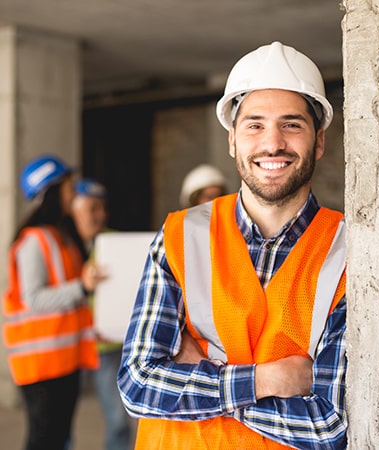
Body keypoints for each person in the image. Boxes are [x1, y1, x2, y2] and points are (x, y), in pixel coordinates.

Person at [117, 41, 347, 449]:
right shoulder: (180, 235)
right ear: (233, 141)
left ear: (319, 141)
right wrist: (265, 380)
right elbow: (138, 386)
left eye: (291, 124)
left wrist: (201, 374)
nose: (272, 143)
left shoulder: (348, 251)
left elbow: (327, 427)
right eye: (254, 124)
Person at [2, 154, 103, 450]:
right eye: (68, 187)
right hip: (40, 365)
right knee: (43, 440)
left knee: (58, 439)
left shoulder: (62, 237)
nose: (73, 194)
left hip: (64, 360)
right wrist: (81, 286)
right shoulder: (34, 241)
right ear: (52, 191)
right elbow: (33, 300)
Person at [72, 179, 132, 450]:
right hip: (68, 344)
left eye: (102, 208)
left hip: (107, 345)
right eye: (93, 209)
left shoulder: (114, 242)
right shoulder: (62, 244)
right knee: (59, 421)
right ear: (74, 210)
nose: (101, 215)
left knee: (119, 419)